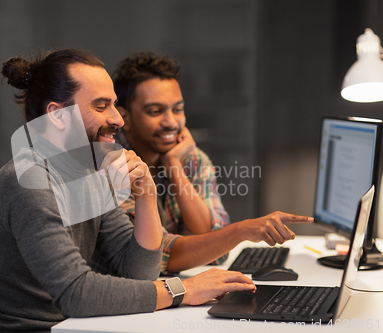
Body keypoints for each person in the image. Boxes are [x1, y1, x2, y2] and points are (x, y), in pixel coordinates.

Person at [0, 49, 257, 331]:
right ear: (58, 115)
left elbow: (136, 273)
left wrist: (145, 193)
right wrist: (183, 290)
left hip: (59, 322)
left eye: (115, 105)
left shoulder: (88, 171)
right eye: (102, 106)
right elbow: (76, 294)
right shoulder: (30, 181)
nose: (118, 119)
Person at [107, 52, 314, 274]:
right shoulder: (113, 165)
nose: (171, 122)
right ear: (124, 118)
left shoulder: (191, 158)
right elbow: (156, 256)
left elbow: (213, 245)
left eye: (177, 109)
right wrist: (240, 231)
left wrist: (174, 165)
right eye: (155, 111)